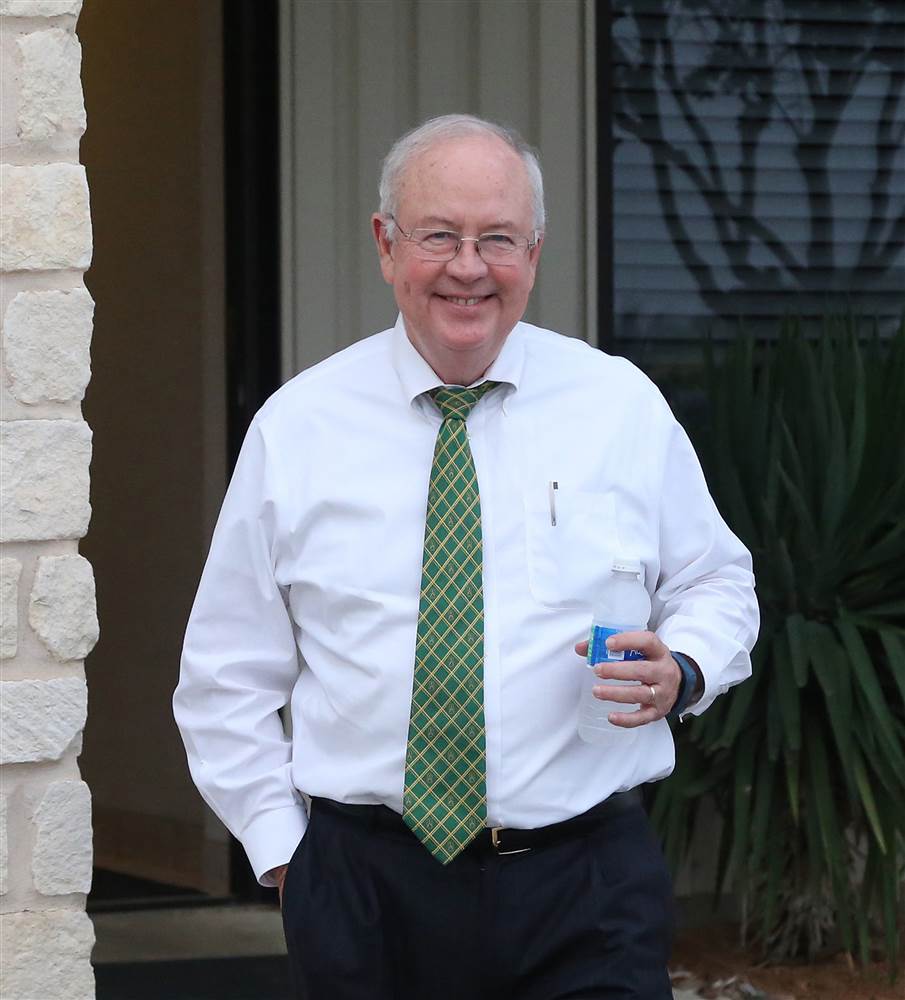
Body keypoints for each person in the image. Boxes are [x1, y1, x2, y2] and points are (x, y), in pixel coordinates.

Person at [174, 113, 758, 999]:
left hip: (585, 887)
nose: (468, 267)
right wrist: (284, 854)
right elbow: (225, 673)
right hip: (364, 892)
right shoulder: (298, 428)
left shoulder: (619, 406)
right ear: (385, 243)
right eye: (438, 235)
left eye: (497, 239)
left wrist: (684, 666)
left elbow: (715, 578)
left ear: (536, 249)